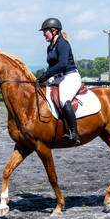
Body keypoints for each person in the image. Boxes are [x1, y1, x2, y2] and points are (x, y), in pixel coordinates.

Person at [37, 17, 82, 145]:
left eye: (45, 31)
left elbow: (62, 64)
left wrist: (45, 75)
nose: (43, 34)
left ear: (54, 30)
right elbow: (52, 67)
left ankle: (74, 132)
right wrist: (43, 79)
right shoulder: (50, 47)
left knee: (63, 99)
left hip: (70, 76)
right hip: (57, 78)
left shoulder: (62, 43)